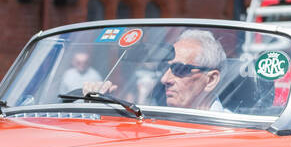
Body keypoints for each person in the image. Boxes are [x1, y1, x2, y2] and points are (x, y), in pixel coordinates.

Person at [82, 28, 227, 112]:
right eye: (165, 68)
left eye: (180, 69)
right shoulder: (155, 116)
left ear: (211, 80)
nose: (165, 79)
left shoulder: (232, 134)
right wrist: (100, 107)